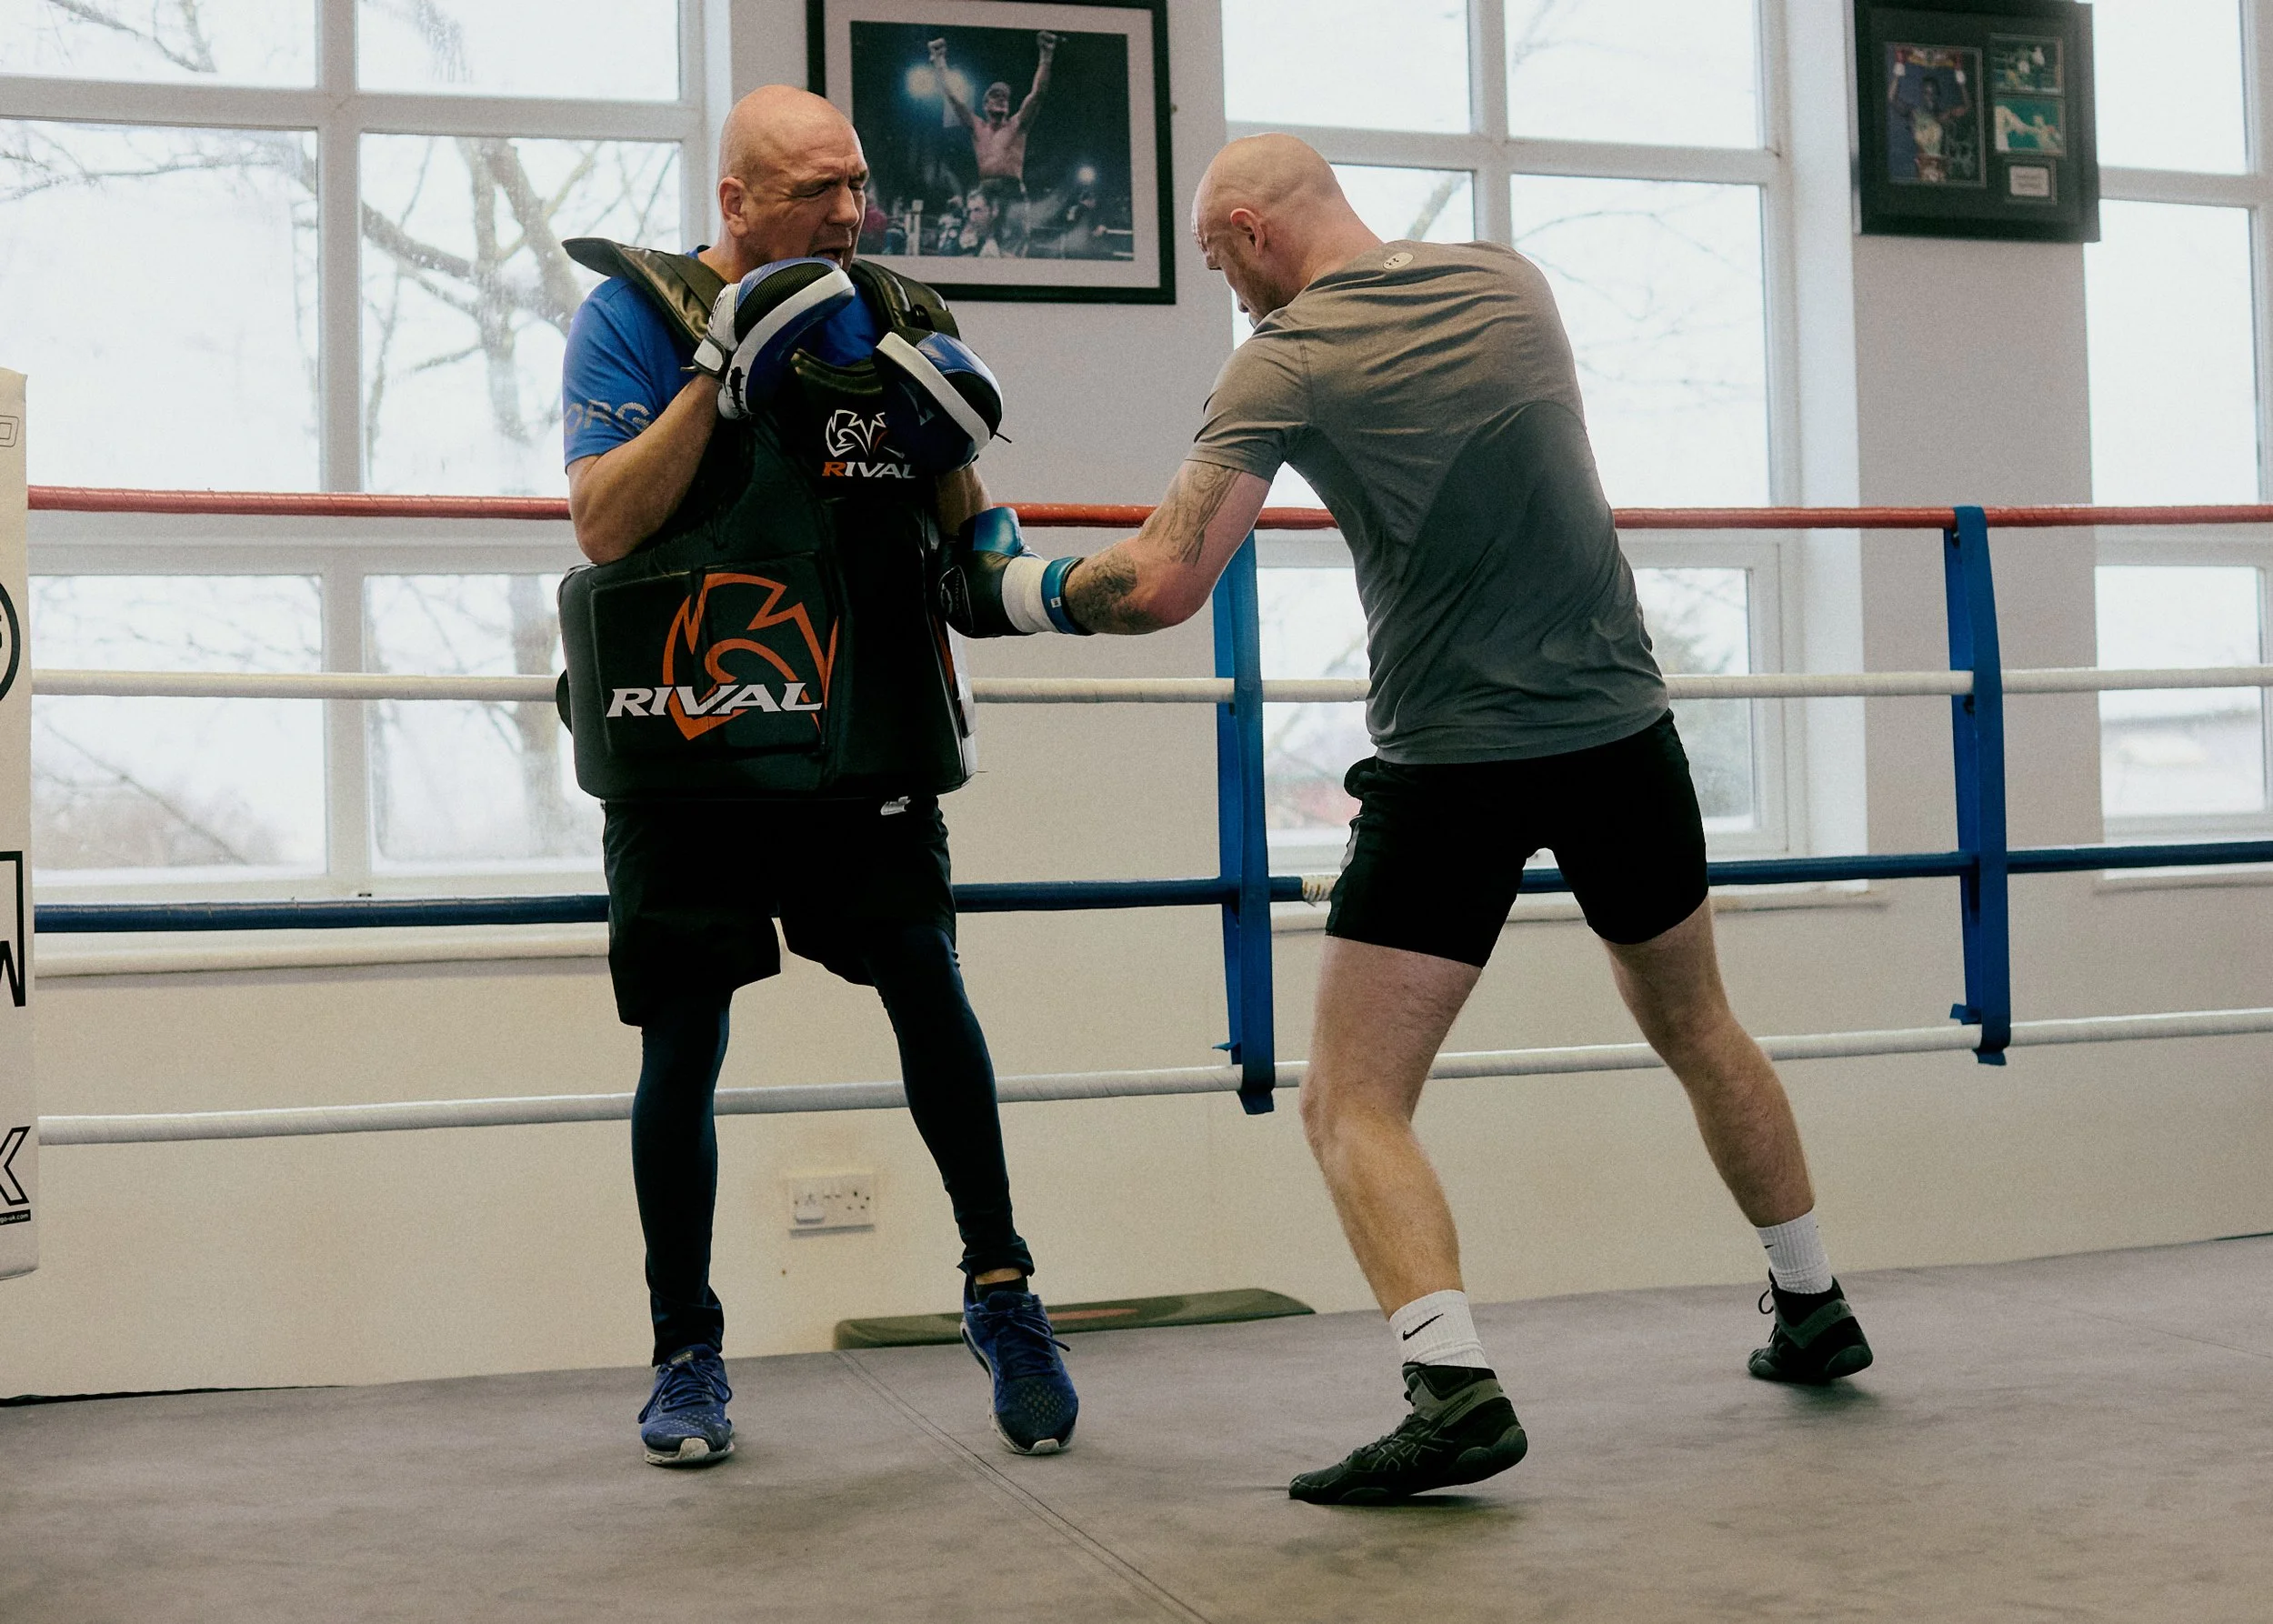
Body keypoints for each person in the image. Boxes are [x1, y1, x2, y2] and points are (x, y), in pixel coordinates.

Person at [939, 135, 1872, 1504]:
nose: (1228, 289)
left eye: (1215, 259)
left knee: (1352, 1099)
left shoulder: (1286, 359)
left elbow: (1160, 583)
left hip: (1456, 769)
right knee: (1698, 1024)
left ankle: (1452, 1389)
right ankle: (1814, 1302)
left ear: (1253, 230)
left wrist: (1003, 587)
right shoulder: (1514, 283)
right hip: (1626, 732)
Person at [558, 85, 1078, 1468]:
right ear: (735, 201)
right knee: (684, 1041)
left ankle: (1005, 1292)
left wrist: (1011, 543)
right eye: (813, 191)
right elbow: (606, 522)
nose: (848, 214)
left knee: (928, 988)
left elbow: (970, 534)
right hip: (691, 734)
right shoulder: (633, 314)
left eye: (857, 184)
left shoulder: (899, 310)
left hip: (860, 737)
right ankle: (686, 1353)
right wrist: (716, 373)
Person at [929, 31, 1056, 256]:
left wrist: (1046, 55)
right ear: (985, 105)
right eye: (995, 96)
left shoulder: (1017, 125)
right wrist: (939, 61)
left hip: (1012, 189)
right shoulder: (978, 127)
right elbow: (953, 98)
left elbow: (1038, 94)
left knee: (1013, 249)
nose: (1001, 99)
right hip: (985, 189)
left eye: (1004, 97)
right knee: (980, 248)